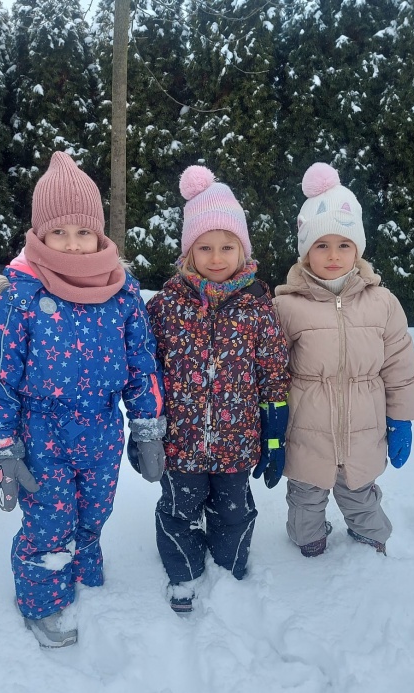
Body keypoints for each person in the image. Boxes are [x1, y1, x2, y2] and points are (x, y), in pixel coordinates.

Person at [0, 152, 165, 648]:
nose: (73, 243)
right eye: (58, 232)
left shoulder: (122, 293)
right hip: (42, 435)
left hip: (102, 430)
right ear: (40, 235)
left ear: (100, 235)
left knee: (95, 511)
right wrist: (1, 445)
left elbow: (142, 364)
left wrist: (147, 427)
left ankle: (83, 569)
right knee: (49, 521)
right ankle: (42, 602)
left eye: (83, 231)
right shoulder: (20, 297)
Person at [140, 165, 290, 613]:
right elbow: (145, 371)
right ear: (189, 251)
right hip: (180, 444)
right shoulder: (164, 306)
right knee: (178, 512)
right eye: (205, 247)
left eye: (228, 246)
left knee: (234, 512)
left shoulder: (258, 307)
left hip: (237, 443)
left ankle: (229, 570)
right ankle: (183, 573)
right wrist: (144, 429)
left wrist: (274, 432)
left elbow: (272, 371)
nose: (217, 257)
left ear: (243, 250)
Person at [272, 162, 414, 558]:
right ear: (306, 251)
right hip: (306, 428)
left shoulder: (382, 302)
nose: (333, 255)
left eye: (344, 244)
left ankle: (372, 537)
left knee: (361, 492)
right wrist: (268, 422)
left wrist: (401, 418)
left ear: (358, 248)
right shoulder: (287, 306)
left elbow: (400, 365)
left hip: (363, 427)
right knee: (305, 495)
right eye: (321, 245)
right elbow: (270, 370)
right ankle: (308, 539)